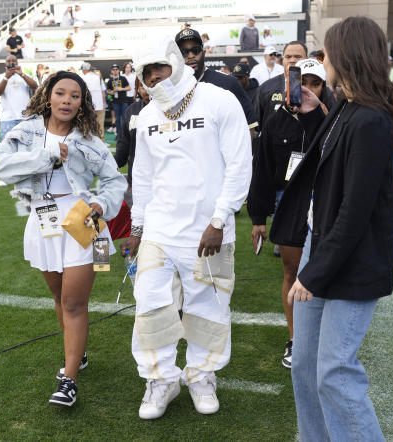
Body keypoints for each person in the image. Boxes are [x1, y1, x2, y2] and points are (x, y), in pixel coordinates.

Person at [270, 16, 393, 440]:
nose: (322, 62)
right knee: (306, 366)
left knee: (335, 373)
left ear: (347, 56)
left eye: (327, 54)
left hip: (351, 261)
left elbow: (356, 210)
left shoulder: (372, 119)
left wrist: (315, 270)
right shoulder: (346, 105)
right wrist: (312, 117)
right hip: (322, 247)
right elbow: (327, 163)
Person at [120, 36, 252, 420]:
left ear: (177, 62)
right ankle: (161, 379)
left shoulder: (218, 100)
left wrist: (219, 219)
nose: (154, 77)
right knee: (150, 305)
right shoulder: (146, 116)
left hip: (208, 231)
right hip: (159, 231)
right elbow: (141, 176)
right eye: (147, 72)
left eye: (160, 67)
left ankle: (201, 376)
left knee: (208, 307)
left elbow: (239, 165)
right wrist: (138, 227)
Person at [0, 70, 127, 407]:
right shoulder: (26, 132)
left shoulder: (89, 139)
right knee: (58, 295)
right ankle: (76, 354)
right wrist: (47, 155)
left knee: (74, 302)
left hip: (84, 217)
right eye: (61, 93)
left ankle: (69, 380)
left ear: (82, 102)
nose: (67, 100)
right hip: (43, 217)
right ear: (48, 96)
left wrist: (101, 204)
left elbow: (114, 180)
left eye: (75, 96)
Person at [248, 58, 335, 369]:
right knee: (292, 273)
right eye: (302, 82)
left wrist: (319, 116)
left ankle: (324, 340)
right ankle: (296, 338)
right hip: (292, 205)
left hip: (327, 207)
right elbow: (262, 170)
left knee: (326, 275)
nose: (308, 89)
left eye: (316, 83)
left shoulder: (333, 119)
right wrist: (258, 217)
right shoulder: (275, 121)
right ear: (289, 84)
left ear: (325, 88)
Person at [175, 28, 258, 135]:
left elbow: (249, 127)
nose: (190, 56)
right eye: (184, 52)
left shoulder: (228, 83)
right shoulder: (172, 89)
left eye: (195, 50)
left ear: (204, 52)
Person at [254, 41, 307, 133]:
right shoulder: (266, 87)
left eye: (298, 57)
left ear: (307, 59)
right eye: (288, 57)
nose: (292, 60)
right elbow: (257, 126)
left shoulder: (318, 86)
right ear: (283, 59)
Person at [0, 55, 38, 141]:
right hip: (7, 119)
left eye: (14, 61)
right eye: (9, 61)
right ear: (5, 64)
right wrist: (6, 77)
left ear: (17, 63)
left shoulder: (24, 75)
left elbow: (35, 86)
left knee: (26, 148)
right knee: (8, 149)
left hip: (25, 118)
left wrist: (22, 74)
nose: (11, 63)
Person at [115, 78, 149, 187]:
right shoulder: (132, 110)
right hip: (138, 179)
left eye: (151, 84)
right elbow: (123, 146)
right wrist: (109, 165)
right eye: (142, 86)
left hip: (165, 179)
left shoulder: (170, 110)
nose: (147, 90)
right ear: (137, 89)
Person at [80, 62, 106, 140]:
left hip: (87, 106)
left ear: (85, 70)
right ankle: (101, 142)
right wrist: (104, 104)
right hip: (99, 105)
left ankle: (88, 141)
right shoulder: (98, 78)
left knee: (87, 124)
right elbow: (103, 93)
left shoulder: (82, 78)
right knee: (100, 124)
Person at [105, 64, 130, 137]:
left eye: (116, 69)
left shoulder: (123, 78)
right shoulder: (110, 80)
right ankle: (119, 134)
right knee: (117, 118)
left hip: (123, 101)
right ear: (111, 71)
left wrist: (121, 89)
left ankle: (124, 134)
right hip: (115, 102)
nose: (115, 71)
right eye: (113, 70)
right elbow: (108, 91)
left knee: (124, 118)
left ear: (119, 71)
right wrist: (111, 92)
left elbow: (129, 88)